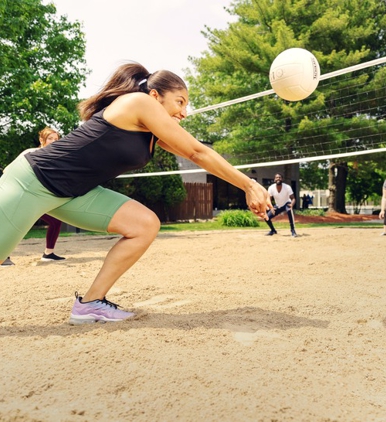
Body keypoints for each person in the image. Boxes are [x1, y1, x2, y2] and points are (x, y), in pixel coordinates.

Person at [0, 62, 271, 323]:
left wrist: (246, 184)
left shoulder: (153, 132)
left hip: (73, 193)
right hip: (32, 181)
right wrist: (249, 184)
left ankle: (91, 303)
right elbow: (196, 152)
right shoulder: (139, 103)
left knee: (144, 224)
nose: (184, 112)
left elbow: (199, 152)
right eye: (180, 101)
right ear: (155, 96)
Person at [1, 127, 66, 267]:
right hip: (21, 195)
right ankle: (4, 256)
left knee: (55, 221)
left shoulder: (57, 157)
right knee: (12, 223)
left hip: (40, 198)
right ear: (42, 140)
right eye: (50, 138)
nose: (54, 141)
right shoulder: (31, 152)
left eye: (56, 139)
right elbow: (8, 169)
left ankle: (48, 254)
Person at [265, 173, 297, 237]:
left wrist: (292, 204)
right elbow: (269, 200)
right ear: (274, 179)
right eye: (276, 177)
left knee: (289, 210)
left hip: (286, 203)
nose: (278, 179)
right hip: (278, 205)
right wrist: (271, 207)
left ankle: (293, 231)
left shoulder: (287, 187)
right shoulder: (271, 188)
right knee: (266, 217)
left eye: (279, 177)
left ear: (282, 179)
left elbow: (293, 198)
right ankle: (273, 230)